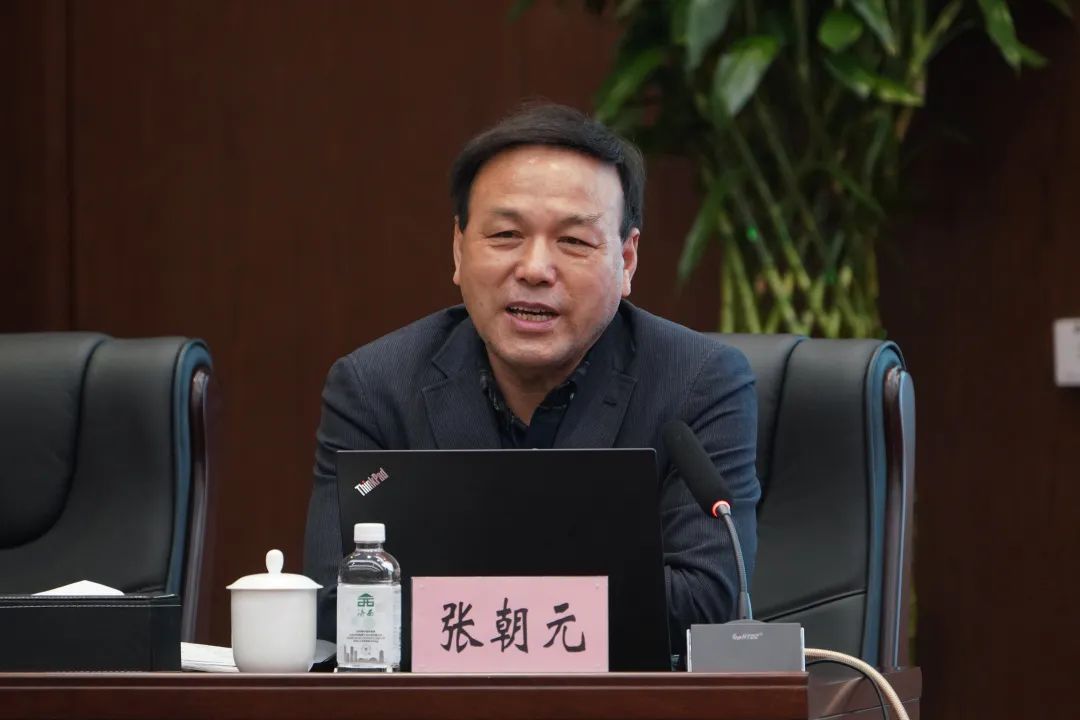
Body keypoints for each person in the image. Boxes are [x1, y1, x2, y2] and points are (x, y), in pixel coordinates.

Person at [303, 103, 760, 661]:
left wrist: (465, 587)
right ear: (458, 248)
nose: (535, 269)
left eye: (574, 241)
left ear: (627, 260)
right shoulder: (375, 387)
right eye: (505, 234)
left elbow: (706, 603)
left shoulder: (698, 382)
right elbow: (336, 603)